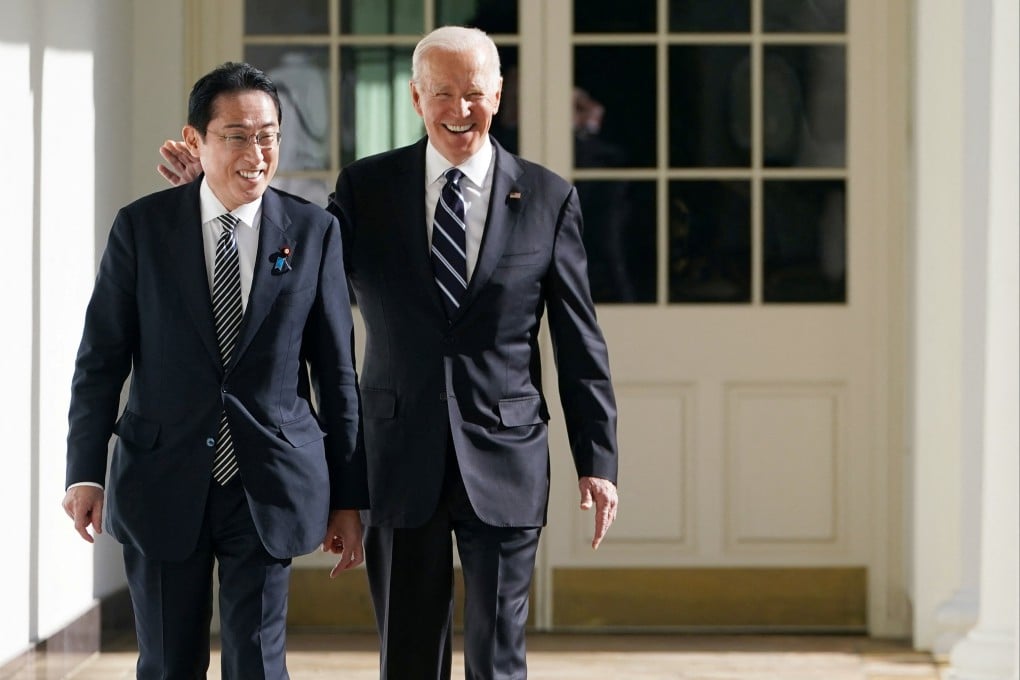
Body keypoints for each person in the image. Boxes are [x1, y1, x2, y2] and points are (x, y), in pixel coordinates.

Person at [158, 26, 620, 680]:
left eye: (475, 94)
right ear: (415, 97)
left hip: (508, 455)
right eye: (443, 94)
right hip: (397, 457)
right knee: (406, 658)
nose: (461, 111)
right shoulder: (368, 189)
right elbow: (292, 266)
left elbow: (579, 341)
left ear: (499, 94)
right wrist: (208, 195)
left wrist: (597, 459)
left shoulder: (547, 198)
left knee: (499, 659)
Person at [64, 61, 367, 680]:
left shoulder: (313, 234)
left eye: (269, 135)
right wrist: (84, 473)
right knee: (169, 664)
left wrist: (348, 497)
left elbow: (337, 375)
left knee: (258, 665)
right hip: (161, 475)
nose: (256, 153)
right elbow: (99, 360)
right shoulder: (142, 228)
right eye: (236, 136)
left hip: (268, 482)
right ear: (196, 140)